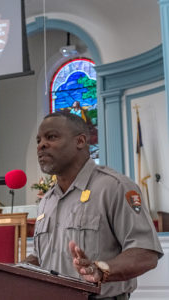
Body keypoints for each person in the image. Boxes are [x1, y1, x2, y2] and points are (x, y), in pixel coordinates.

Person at [25, 111, 163, 300]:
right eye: (38, 140)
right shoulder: (47, 201)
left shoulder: (114, 187)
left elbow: (145, 252)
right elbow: (41, 258)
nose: (41, 145)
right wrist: (14, 268)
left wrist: (101, 270)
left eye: (51, 137)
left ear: (80, 141)